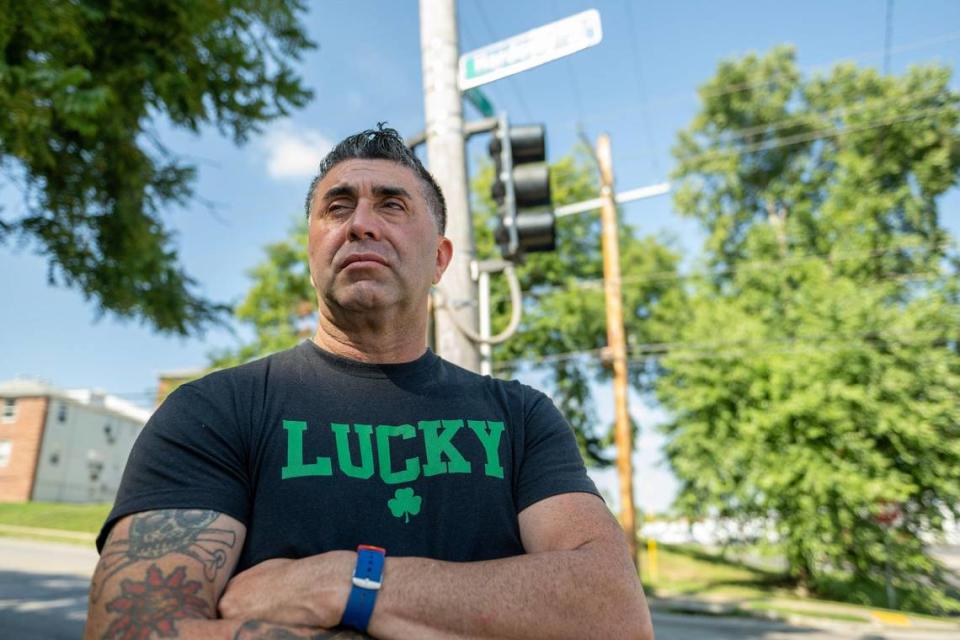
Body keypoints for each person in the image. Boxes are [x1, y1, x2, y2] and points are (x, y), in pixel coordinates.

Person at [84, 125, 654, 640]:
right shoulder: (214, 411)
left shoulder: (519, 418)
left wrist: (347, 583)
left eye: (392, 205)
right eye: (337, 207)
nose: (360, 223)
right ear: (312, 252)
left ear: (439, 258)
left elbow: (613, 614)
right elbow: (131, 631)